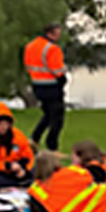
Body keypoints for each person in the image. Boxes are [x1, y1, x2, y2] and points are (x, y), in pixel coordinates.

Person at [25, 23, 68, 151]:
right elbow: (58, 70)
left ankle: (34, 139)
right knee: (58, 119)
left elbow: (28, 66)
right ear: (50, 33)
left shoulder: (30, 46)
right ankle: (52, 146)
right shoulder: (52, 49)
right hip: (52, 86)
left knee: (48, 115)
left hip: (37, 85)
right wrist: (63, 80)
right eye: (57, 34)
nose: (58, 37)